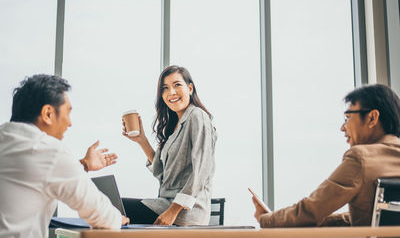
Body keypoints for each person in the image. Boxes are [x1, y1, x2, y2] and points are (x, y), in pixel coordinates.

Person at [252, 84, 400, 227]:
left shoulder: (361, 158)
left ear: (372, 118)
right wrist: (324, 220)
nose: (342, 128)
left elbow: (311, 210)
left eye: (347, 118)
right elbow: (376, 217)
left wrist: (266, 219)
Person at [0, 74, 129, 238]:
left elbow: (31, 175)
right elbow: (101, 216)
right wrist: (117, 219)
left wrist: (83, 165)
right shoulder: (48, 150)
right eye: (68, 112)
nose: (70, 123)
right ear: (47, 113)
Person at [122, 65, 217, 226]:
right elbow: (161, 172)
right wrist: (142, 140)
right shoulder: (172, 127)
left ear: (190, 88)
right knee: (111, 209)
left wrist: (173, 211)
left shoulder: (197, 116)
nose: (171, 92)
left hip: (184, 212)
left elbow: (201, 170)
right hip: (165, 204)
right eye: (165, 88)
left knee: (114, 208)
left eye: (177, 85)